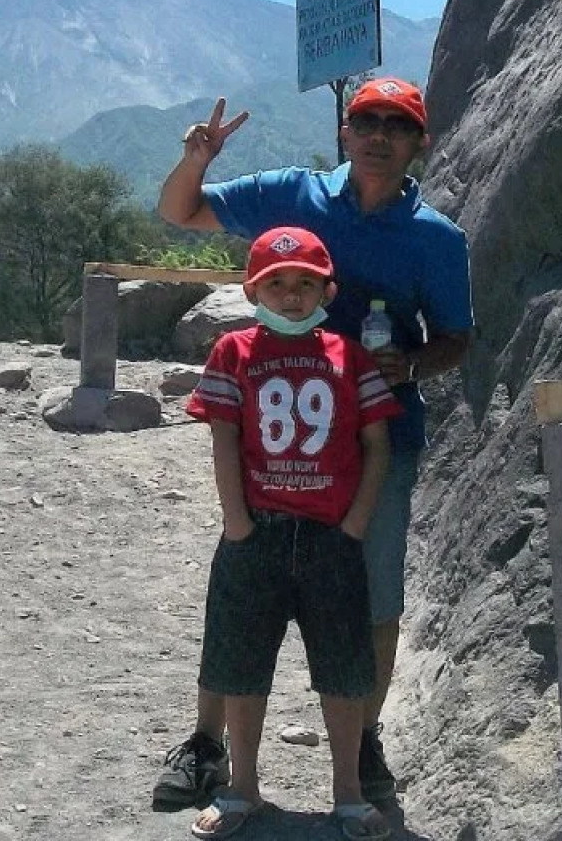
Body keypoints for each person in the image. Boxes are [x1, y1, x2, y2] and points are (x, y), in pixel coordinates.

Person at [153, 76, 473, 810]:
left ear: (419, 141)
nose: (379, 135)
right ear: (344, 131)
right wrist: (197, 158)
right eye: (367, 120)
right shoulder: (291, 194)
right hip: (276, 443)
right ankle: (206, 743)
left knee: (374, 599)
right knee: (244, 588)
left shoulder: (435, 237)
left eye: (398, 124)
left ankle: (360, 743)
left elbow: (457, 337)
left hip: (376, 435)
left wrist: (414, 364)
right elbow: (179, 210)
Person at [184, 226, 401, 841]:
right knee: (242, 660)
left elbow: (376, 443)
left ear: (326, 288)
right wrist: (236, 521)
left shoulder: (348, 355)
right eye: (275, 283)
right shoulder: (234, 350)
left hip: (331, 534)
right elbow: (222, 434)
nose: (291, 294)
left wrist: (356, 523)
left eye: (305, 282)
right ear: (254, 289)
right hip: (259, 531)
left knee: (342, 664)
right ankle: (242, 787)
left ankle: (348, 794)